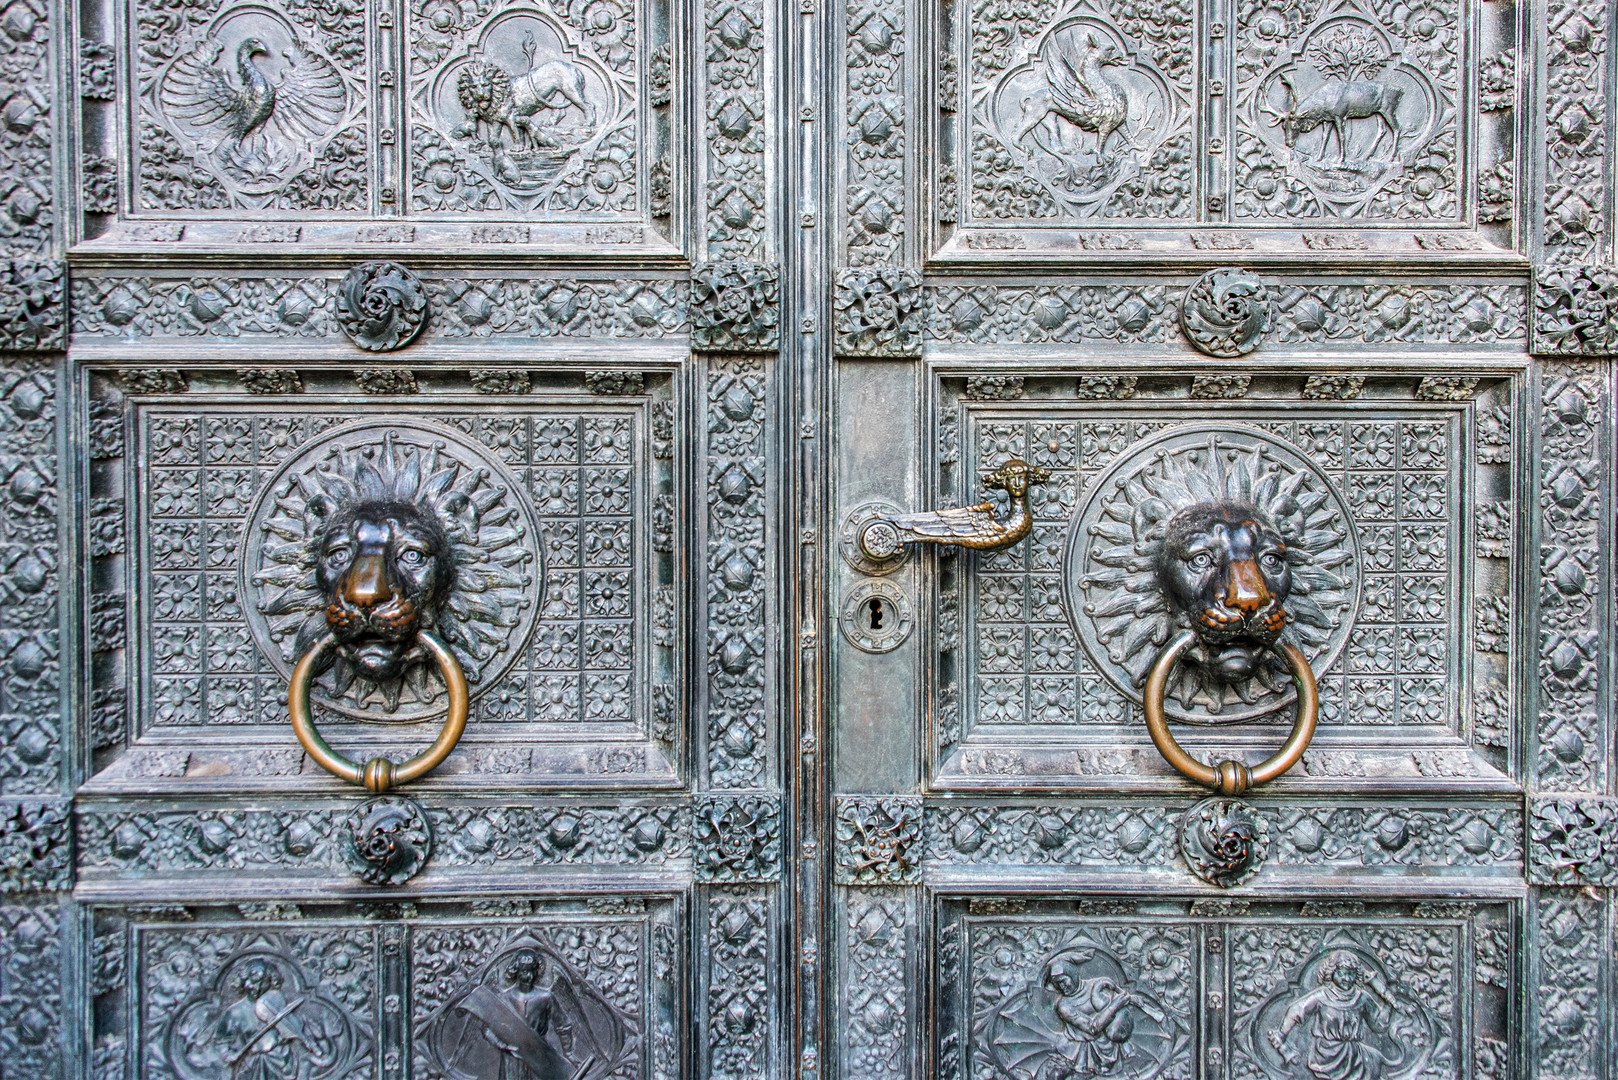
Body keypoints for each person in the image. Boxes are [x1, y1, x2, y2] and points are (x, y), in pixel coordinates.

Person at [1270, 950, 1399, 1080]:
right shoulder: (1322, 996)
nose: (1347, 979)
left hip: (1355, 1056)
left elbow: (1378, 1026)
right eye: (1342, 973)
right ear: (1331, 972)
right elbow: (1295, 1010)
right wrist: (1282, 1034)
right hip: (1325, 1055)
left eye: (1351, 974)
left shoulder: (1362, 998)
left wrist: (1388, 1005)